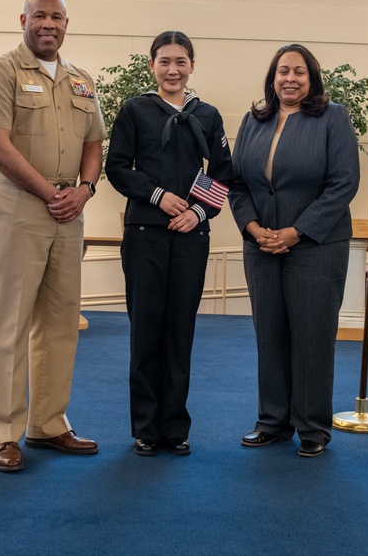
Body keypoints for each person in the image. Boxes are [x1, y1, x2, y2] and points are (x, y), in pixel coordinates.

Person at [0, 0, 106, 472]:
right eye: (39, 15)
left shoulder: (81, 80)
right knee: (6, 324)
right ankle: (3, 433)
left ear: (67, 23)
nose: (47, 23)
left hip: (69, 212)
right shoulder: (2, 71)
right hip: (18, 208)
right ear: (23, 20)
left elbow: (94, 141)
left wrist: (85, 189)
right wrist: (48, 191)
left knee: (59, 323)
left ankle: (48, 424)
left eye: (56, 16)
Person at [105, 31, 234, 456]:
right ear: (152, 66)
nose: (173, 69)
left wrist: (199, 212)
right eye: (164, 61)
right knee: (146, 330)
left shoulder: (208, 114)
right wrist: (158, 196)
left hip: (191, 236)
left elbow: (223, 172)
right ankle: (145, 426)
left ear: (192, 65)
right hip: (145, 234)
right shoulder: (134, 110)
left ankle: (175, 427)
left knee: (180, 330)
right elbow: (117, 168)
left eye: (180, 61)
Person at [229, 44, 360, 458]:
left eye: (299, 72)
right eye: (282, 71)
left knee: (312, 336)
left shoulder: (332, 118)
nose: (290, 78)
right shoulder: (254, 120)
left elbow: (344, 182)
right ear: (272, 78)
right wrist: (253, 228)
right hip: (261, 244)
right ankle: (272, 422)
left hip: (316, 246)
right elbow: (237, 183)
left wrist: (296, 232)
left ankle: (312, 427)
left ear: (312, 78)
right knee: (270, 334)